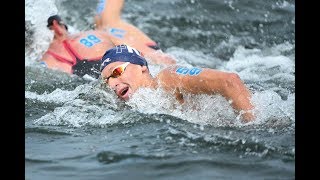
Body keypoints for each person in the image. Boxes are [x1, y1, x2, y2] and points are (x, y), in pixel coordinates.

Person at [99, 44, 256, 123]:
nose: (112, 83)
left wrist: (253, 128)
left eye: (116, 72)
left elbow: (229, 81)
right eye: (107, 80)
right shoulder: (134, 106)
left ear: (142, 67)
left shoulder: (168, 79)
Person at [41, 0, 175, 78]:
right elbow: (158, 59)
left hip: (108, 86)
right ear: (56, 26)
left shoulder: (45, 63)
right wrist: (158, 57)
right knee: (106, 21)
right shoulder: (92, 34)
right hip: (149, 69)